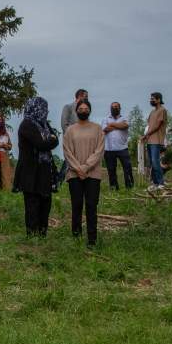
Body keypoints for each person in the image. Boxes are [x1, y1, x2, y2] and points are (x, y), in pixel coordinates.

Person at [63, 99, 105, 246]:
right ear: (76, 111)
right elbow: (67, 152)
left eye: (86, 108)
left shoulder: (97, 129)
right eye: (80, 108)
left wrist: (86, 167)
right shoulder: (70, 130)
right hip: (74, 174)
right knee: (77, 205)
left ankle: (92, 239)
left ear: (90, 110)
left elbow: (99, 151)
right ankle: (76, 237)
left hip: (93, 174)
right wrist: (78, 168)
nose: (83, 110)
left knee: (91, 206)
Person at [14, 97, 58, 237]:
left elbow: (55, 139)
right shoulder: (27, 124)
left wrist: (51, 140)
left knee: (46, 201)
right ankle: (32, 235)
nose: (46, 111)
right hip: (30, 171)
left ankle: (42, 233)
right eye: (43, 108)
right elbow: (41, 144)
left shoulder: (44, 125)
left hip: (44, 170)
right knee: (32, 203)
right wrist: (50, 139)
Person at [102, 102, 133, 190]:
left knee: (127, 168)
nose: (114, 108)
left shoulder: (124, 118)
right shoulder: (105, 119)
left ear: (120, 108)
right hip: (109, 149)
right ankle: (114, 187)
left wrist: (111, 124)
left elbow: (125, 126)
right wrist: (119, 126)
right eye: (112, 107)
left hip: (123, 148)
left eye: (116, 107)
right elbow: (105, 129)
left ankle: (129, 186)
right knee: (111, 170)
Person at [144, 92, 168, 189]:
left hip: (157, 140)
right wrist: (146, 136)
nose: (151, 100)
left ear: (159, 100)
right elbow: (149, 125)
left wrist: (146, 134)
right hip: (149, 140)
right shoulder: (152, 112)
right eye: (151, 98)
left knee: (155, 161)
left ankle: (161, 183)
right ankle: (154, 183)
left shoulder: (162, 110)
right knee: (151, 162)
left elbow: (157, 126)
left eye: (153, 98)